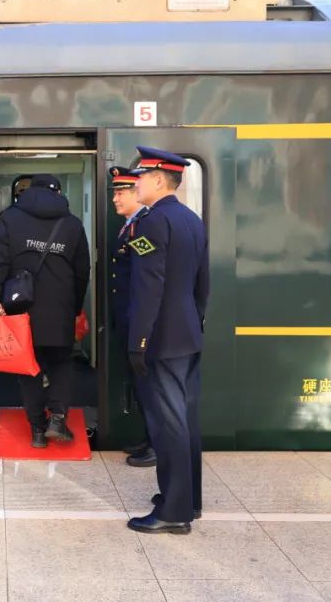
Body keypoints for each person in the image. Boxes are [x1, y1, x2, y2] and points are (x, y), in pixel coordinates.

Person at [125, 147, 209, 535]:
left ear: (160, 179)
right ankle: (187, 499)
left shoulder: (154, 222)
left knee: (169, 425)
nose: (136, 182)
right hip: (187, 333)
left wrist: (139, 340)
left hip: (161, 337)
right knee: (186, 422)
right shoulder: (190, 219)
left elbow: (149, 289)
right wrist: (195, 323)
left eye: (140, 176)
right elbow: (202, 284)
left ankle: (174, 513)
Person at [0, 173, 91, 448]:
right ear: (58, 192)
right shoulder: (72, 224)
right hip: (60, 307)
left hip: (20, 307)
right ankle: (57, 419)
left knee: (28, 368)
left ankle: (37, 431)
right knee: (60, 363)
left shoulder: (10, 218)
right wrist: (76, 306)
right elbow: (83, 272)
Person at [108, 166, 155, 467]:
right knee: (139, 383)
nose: (115, 199)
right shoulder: (129, 226)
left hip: (139, 322)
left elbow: (147, 277)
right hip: (128, 318)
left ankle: (156, 443)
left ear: (137, 193)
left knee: (149, 384)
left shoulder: (143, 227)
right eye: (114, 192)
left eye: (121, 192)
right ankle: (148, 437)